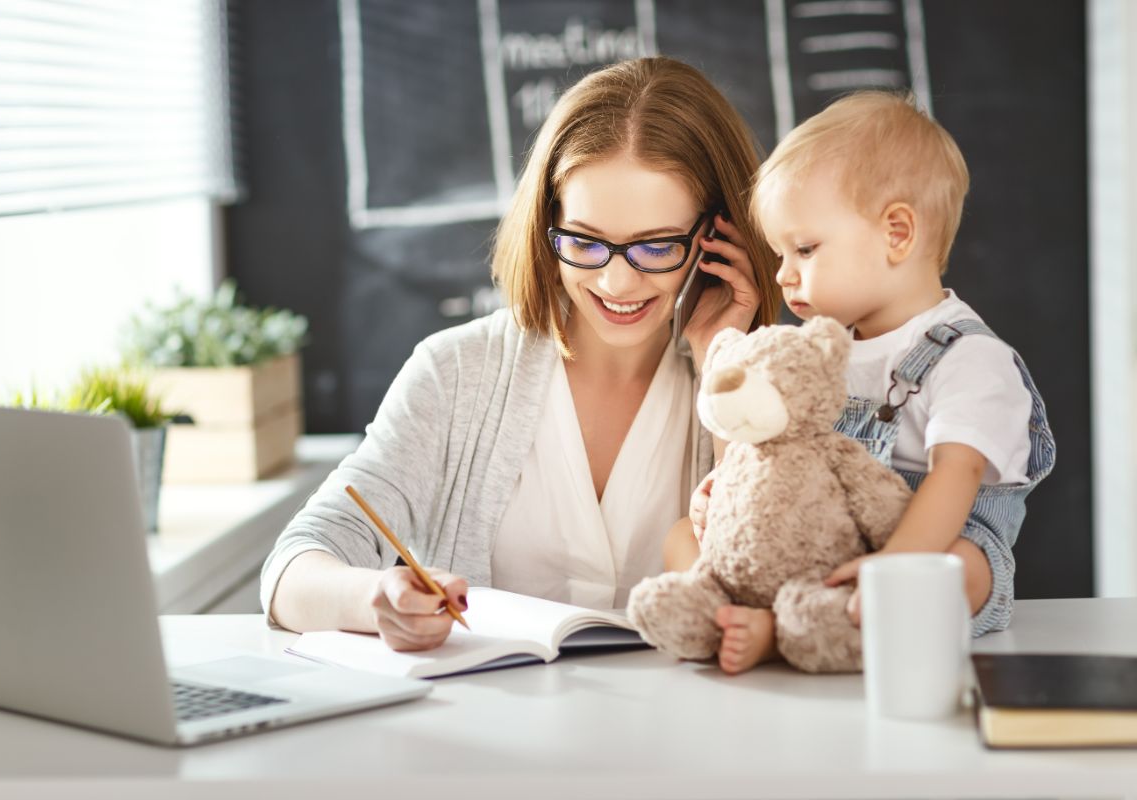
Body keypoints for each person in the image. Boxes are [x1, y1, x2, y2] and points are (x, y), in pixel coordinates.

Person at [260, 56, 782, 650]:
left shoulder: (763, 384)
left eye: (656, 247)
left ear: (717, 239)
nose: (616, 284)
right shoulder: (456, 373)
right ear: (547, 225)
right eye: (585, 241)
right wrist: (375, 598)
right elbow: (292, 571)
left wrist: (725, 360)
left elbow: (766, 588)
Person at [666, 91, 1055, 674]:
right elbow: (774, 444)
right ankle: (728, 608)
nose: (783, 274)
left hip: (926, 546)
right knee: (679, 535)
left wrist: (894, 566)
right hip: (825, 536)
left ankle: (782, 632)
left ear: (897, 233)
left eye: (804, 248)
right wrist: (729, 491)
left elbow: (956, 475)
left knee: (962, 569)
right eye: (779, 253)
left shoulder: (969, 357)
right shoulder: (822, 350)